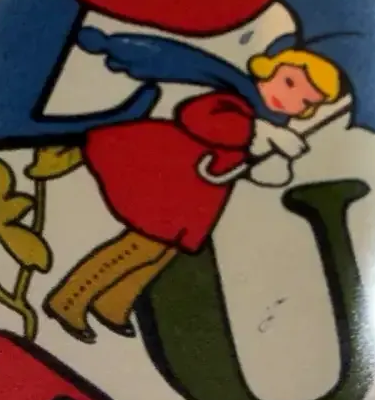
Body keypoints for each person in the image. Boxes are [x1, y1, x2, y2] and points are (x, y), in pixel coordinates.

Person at [43, 49, 342, 343]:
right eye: (288, 82)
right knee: (140, 247)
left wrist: (278, 155)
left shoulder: (271, 127)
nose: (289, 98)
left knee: (163, 253)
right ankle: (69, 300)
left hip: (196, 197)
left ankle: (113, 304)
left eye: (305, 101)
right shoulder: (235, 101)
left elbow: (260, 173)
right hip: (169, 177)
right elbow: (197, 117)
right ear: (269, 71)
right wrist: (257, 132)